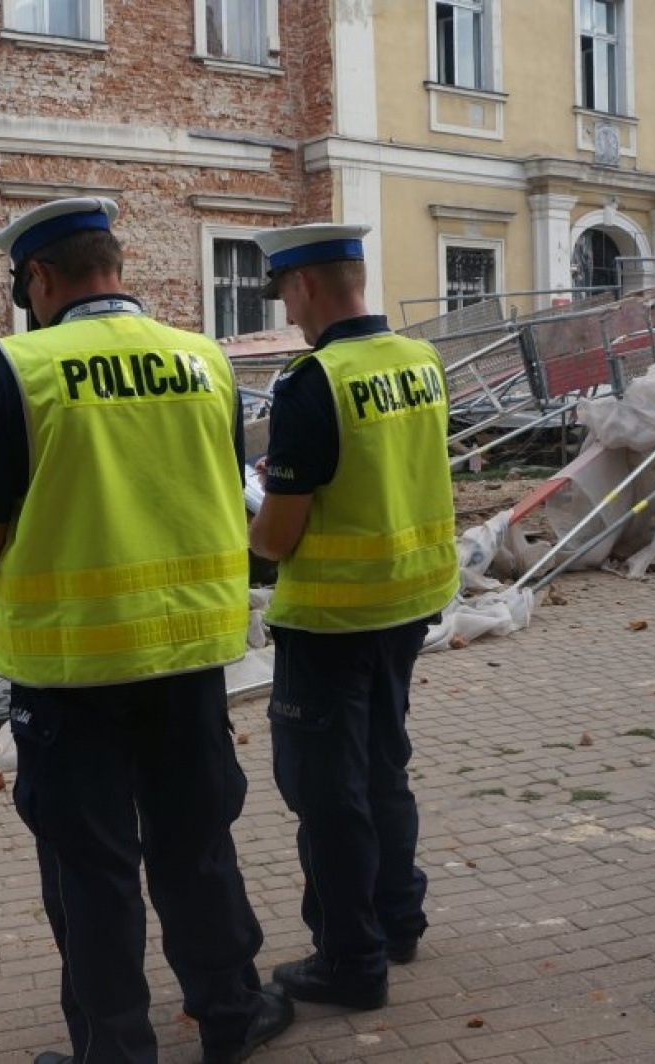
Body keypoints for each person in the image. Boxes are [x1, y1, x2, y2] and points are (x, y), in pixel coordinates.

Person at [0, 197, 293, 1064]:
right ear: (114, 265)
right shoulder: (204, 359)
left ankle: (115, 1050)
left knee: (91, 870)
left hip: (69, 671)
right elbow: (221, 488)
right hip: (186, 655)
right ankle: (231, 1015)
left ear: (39, 277)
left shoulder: (18, 369)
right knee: (197, 846)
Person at [247, 222, 459, 1011]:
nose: (287, 312)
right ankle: (398, 920)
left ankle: (350, 961)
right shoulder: (420, 360)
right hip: (406, 603)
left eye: (285, 294)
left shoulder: (313, 382)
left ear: (304, 286)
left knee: (327, 795)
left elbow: (279, 537)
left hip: (330, 621)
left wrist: (255, 512)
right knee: (381, 770)